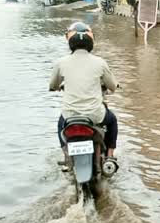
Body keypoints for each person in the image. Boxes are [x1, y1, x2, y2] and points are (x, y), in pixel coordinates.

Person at [49, 22, 119, 162]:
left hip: (70, 116)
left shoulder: (61, 62)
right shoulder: (100, 62)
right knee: (112, 121)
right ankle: (110, 156)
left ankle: (66, 155)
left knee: (59, 124)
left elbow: (53, 85)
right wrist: (115, 86)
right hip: (95, 116)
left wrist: (57, 87)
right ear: (91, 43)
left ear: (70, 43)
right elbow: (112, 86)